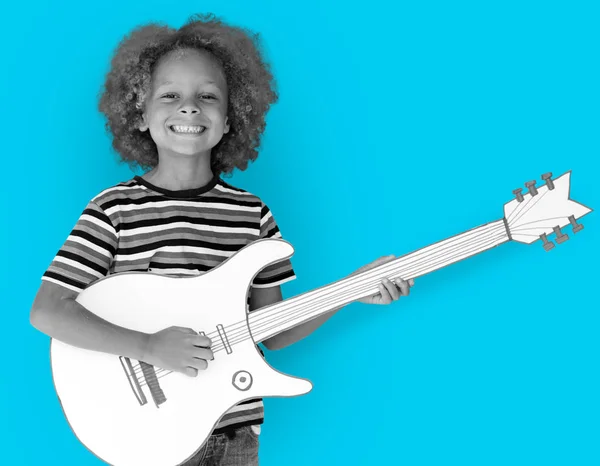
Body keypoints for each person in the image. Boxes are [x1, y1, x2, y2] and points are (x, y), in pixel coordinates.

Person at [29, 13, 413, 466]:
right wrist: (148, 347)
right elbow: (48, 311)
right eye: (170, 95)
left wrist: (353, 289)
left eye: (208, 96)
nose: (189, 108)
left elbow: (276, 330)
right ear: (141, 112)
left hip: (234, 435)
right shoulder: (114, 210)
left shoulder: (253, 216)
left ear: (232, 118)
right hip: (150, 436)